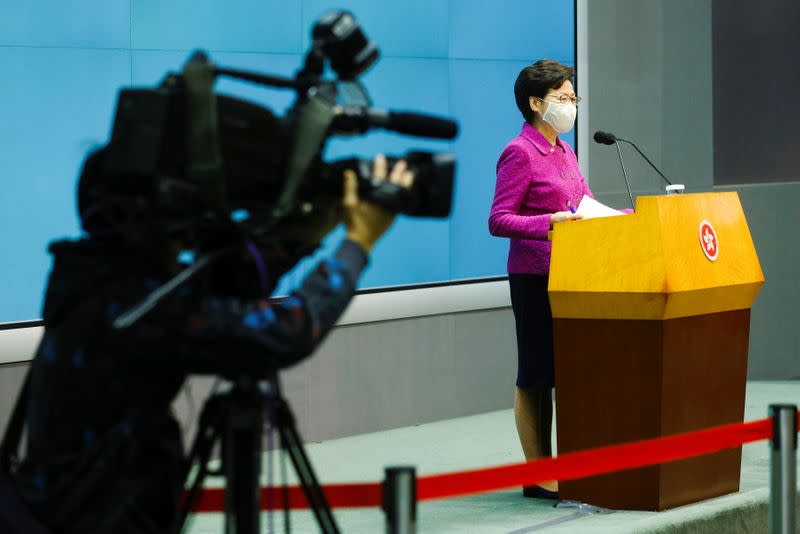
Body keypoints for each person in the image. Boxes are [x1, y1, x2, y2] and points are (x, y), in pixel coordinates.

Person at [9, 149, 413, 533]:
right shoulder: (140, 309)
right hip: (98, 521)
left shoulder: (93, 280)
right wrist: (358, 241)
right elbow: (285, 331)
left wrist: (306, 233)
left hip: (63, 512)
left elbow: (224, 283)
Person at [488, 59, 588, 500]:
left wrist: (621, 219)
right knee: (536, 374)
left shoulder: (566, 150)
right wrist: (548, 222)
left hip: (572, 275)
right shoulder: (519, 152)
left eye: (572, 98)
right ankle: (538, 473)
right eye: (562, 99)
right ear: (535, 102)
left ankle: (568, 465)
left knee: (566, 371)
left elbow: (581, 205)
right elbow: (498, 219)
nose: (570, 106)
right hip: (533, 277)